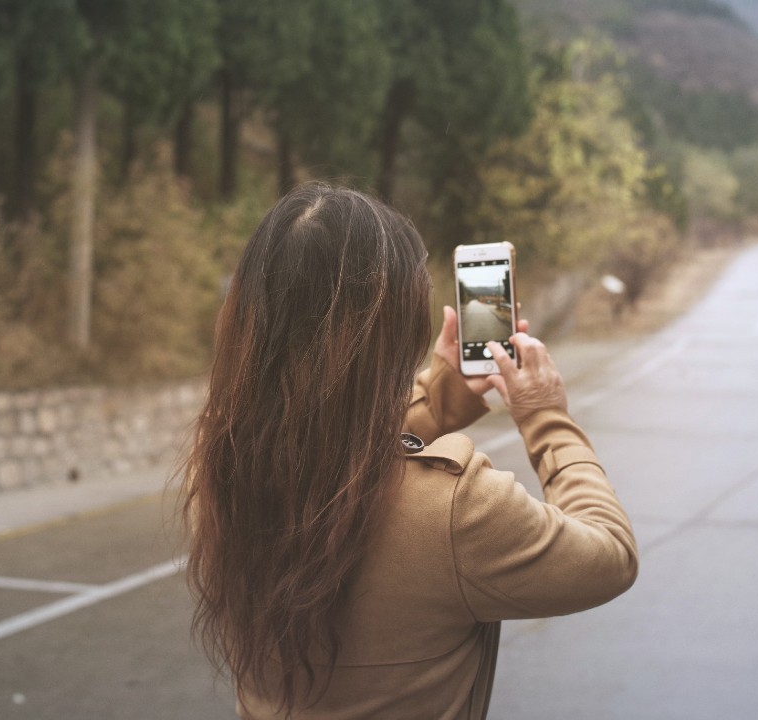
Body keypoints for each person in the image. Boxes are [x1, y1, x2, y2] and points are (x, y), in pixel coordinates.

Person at [181, 183, 638, 719]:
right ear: (396, 333)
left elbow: (320, 437)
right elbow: (609, 556)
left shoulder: (219, 469)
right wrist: (544, 416)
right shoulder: (454, 509)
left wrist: (441, 394)